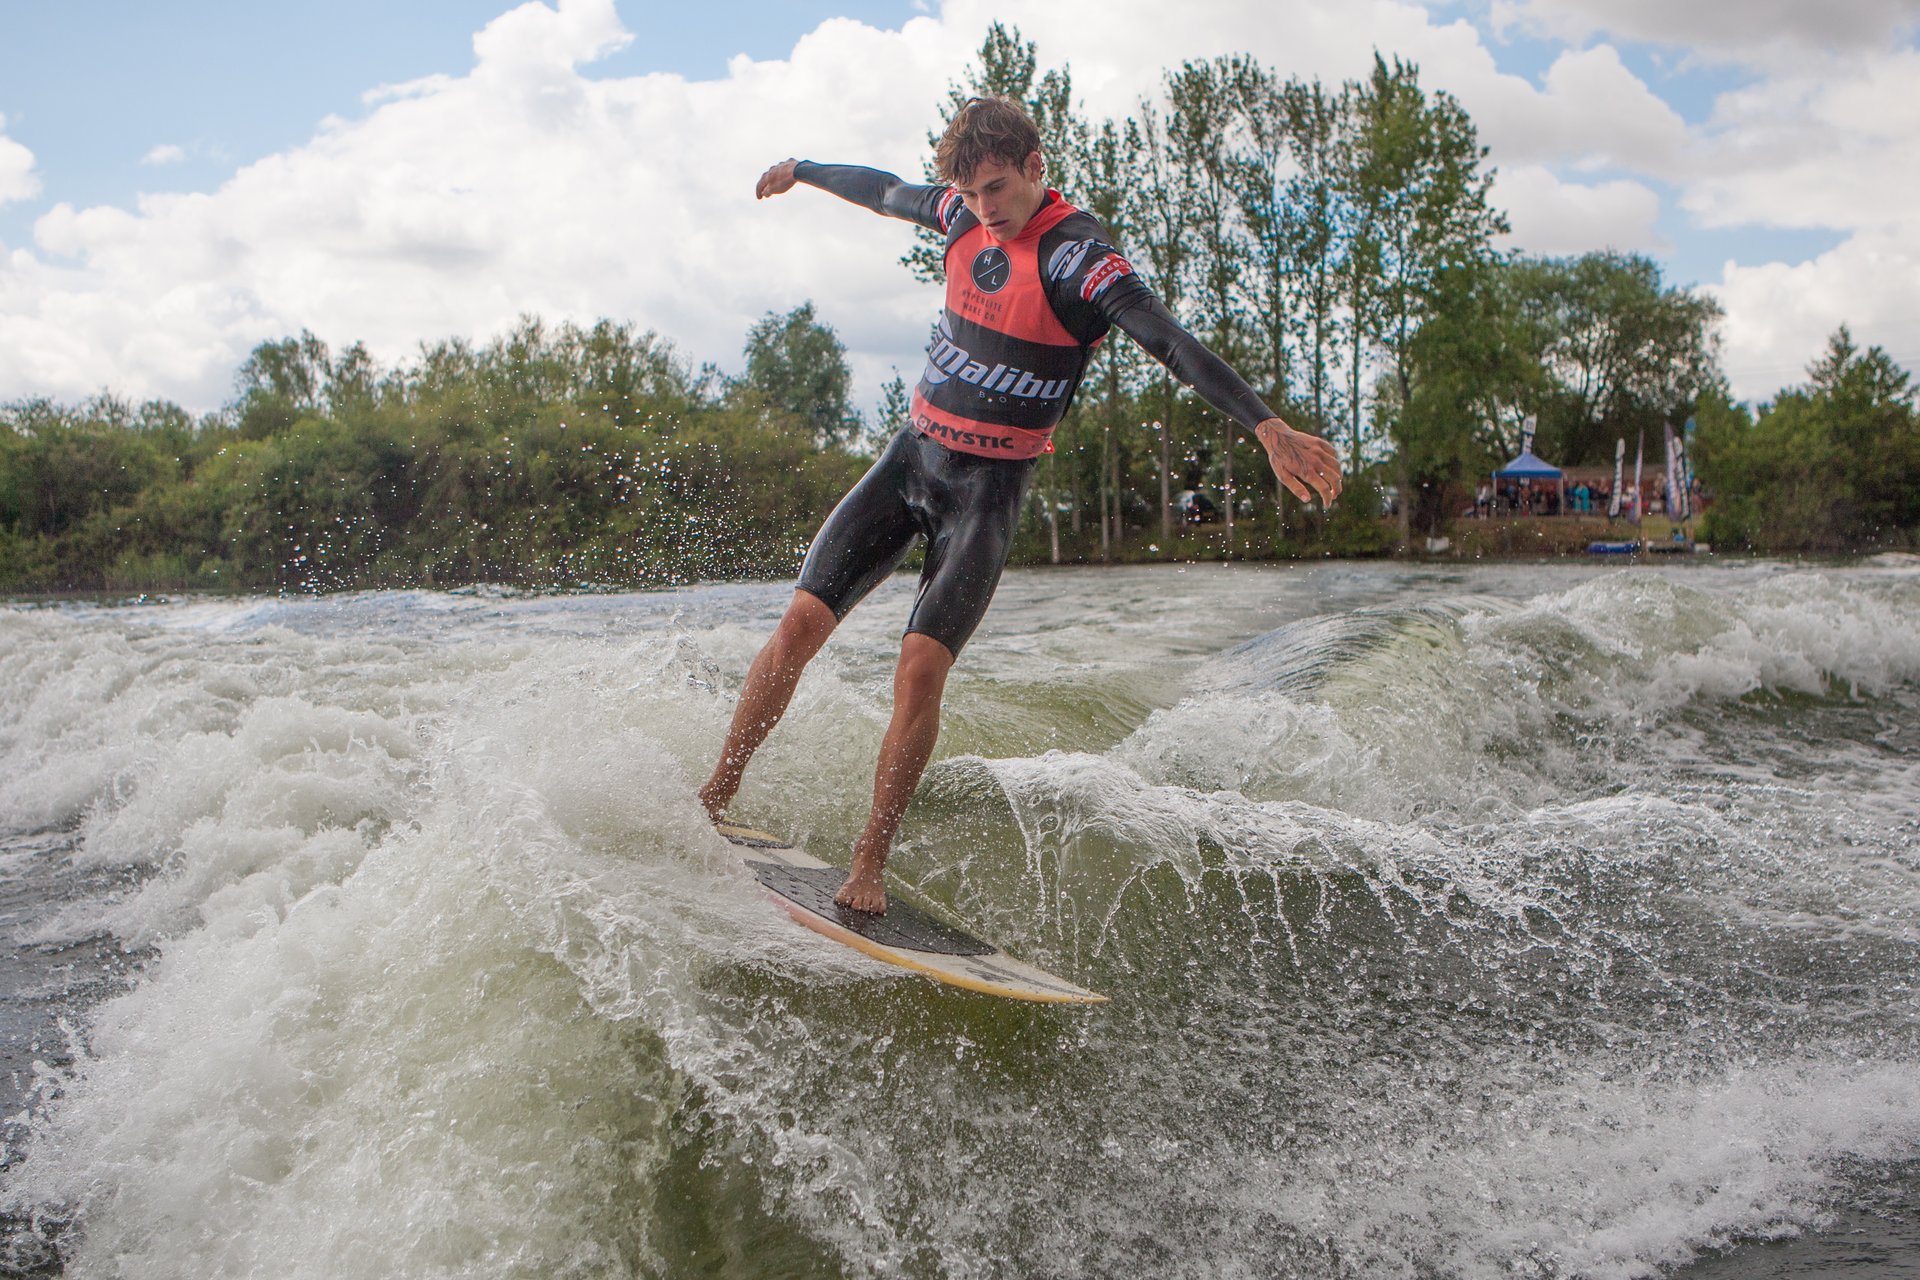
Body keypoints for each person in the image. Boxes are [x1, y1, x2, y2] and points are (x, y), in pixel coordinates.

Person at [698, 97, 1343, 913]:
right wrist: (803, 170)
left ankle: (868, 863)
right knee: (798, 623)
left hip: (988, 492)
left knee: (919, 670)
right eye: (970, 195)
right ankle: (716, 793)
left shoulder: (1080, 259)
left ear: (1036, 167)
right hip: (910, 462)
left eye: (997, 189)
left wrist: (1266, 426)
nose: (984, 209)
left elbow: (1170, 341)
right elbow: (886, 191)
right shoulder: (960, 216)